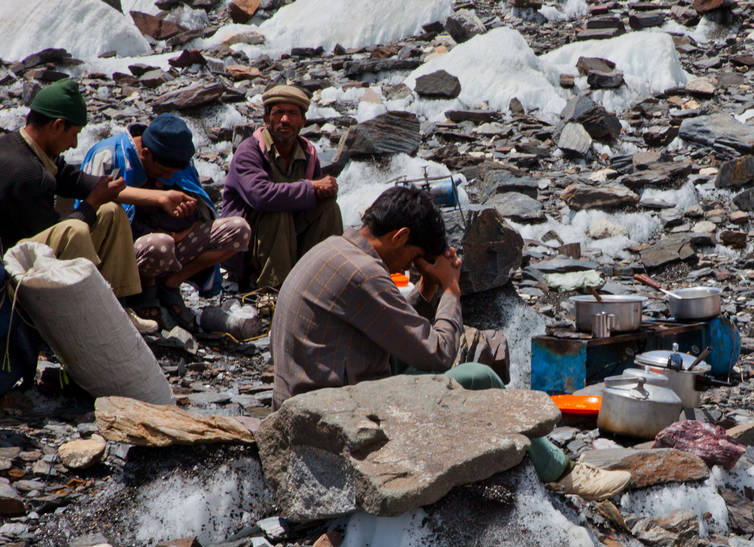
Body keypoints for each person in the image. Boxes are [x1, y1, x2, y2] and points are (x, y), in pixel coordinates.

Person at [271, 185, 630, 501]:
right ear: (400, 236)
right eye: (413, 257)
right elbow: (438, 354)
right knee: (479, 377)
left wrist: (427, 286)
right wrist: (451, 289)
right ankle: (562, 472)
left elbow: (392, 325)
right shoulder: (364, 274)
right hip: (330, 425)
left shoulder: (336, 249)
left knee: (416, 363)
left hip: (307, 403)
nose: (411, 265)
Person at [0, 78, 151, 331]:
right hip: (15, 268)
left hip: (28, 250)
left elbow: (71, 179)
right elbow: (50, 238)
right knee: (76, 230)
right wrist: (92, 203)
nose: (74, 144)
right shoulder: (25, 173)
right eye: (74, 134)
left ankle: (117, 307)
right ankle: (92, 316)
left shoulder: (27, 148)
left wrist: (105, 187)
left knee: (111, 211)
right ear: (57, 125)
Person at [81, 113, 251, 332]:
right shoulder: (109, 156)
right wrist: (163, 210)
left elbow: (198, 208)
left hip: (171, 246)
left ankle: (171, 284)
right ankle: (142, 294)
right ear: (145, 153)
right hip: (125, 255)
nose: (167, 177)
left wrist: (186, 214)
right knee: (160, 244)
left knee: (238, 230)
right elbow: (96, 218)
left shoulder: (179, 160)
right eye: (162, 172)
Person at [220, 84, 342, 289]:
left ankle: (322, 283)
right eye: (278, 113)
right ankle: (272, 289)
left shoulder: (308, 153)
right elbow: (261, 196)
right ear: (266, 119)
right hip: (249, 248)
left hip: (291, 239)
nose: (285, 120)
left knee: (329, 208)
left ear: (303, 121)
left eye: (293, 113)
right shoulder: (249, 151)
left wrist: (327, 189)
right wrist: (312, 187)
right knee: (277, 211)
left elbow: (315, 200)